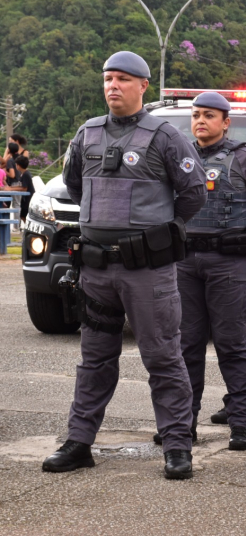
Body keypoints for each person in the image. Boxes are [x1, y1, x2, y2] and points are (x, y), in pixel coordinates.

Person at [41, 51, 207, 479]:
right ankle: (79, 442)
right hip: (96, 269)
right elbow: (77, 186)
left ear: (143, 86)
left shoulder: (166, 136)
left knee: (163, 357)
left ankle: (176, 446)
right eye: (108, 78)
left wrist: (155, 233)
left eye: (122, 79)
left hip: (147, 271)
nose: (112, 85)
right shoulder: (88, 133)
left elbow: (193, 194)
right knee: (94, 359)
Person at [151, 92, 246, 452]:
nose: (200, 121)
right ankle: (182, 423)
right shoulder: (181, 159)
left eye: (209, 115)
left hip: (230, 265)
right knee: (185, 346)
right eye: (196, 115)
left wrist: (244, 239)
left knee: (232, 345)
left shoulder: (245, 159)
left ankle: (241, 423)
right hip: (186, 263)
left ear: (225, 122)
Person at [14, 155, 35, 225]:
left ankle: (28, 227)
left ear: (19, 165)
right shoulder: (24, 173)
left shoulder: (26, 174)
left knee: (24, 215)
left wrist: (11, 189)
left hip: (28, 199)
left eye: (16, 164)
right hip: (25, 199)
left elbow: (24, 188)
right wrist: (11, 188)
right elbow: (21, 186)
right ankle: (27, 227)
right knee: (23, 215)